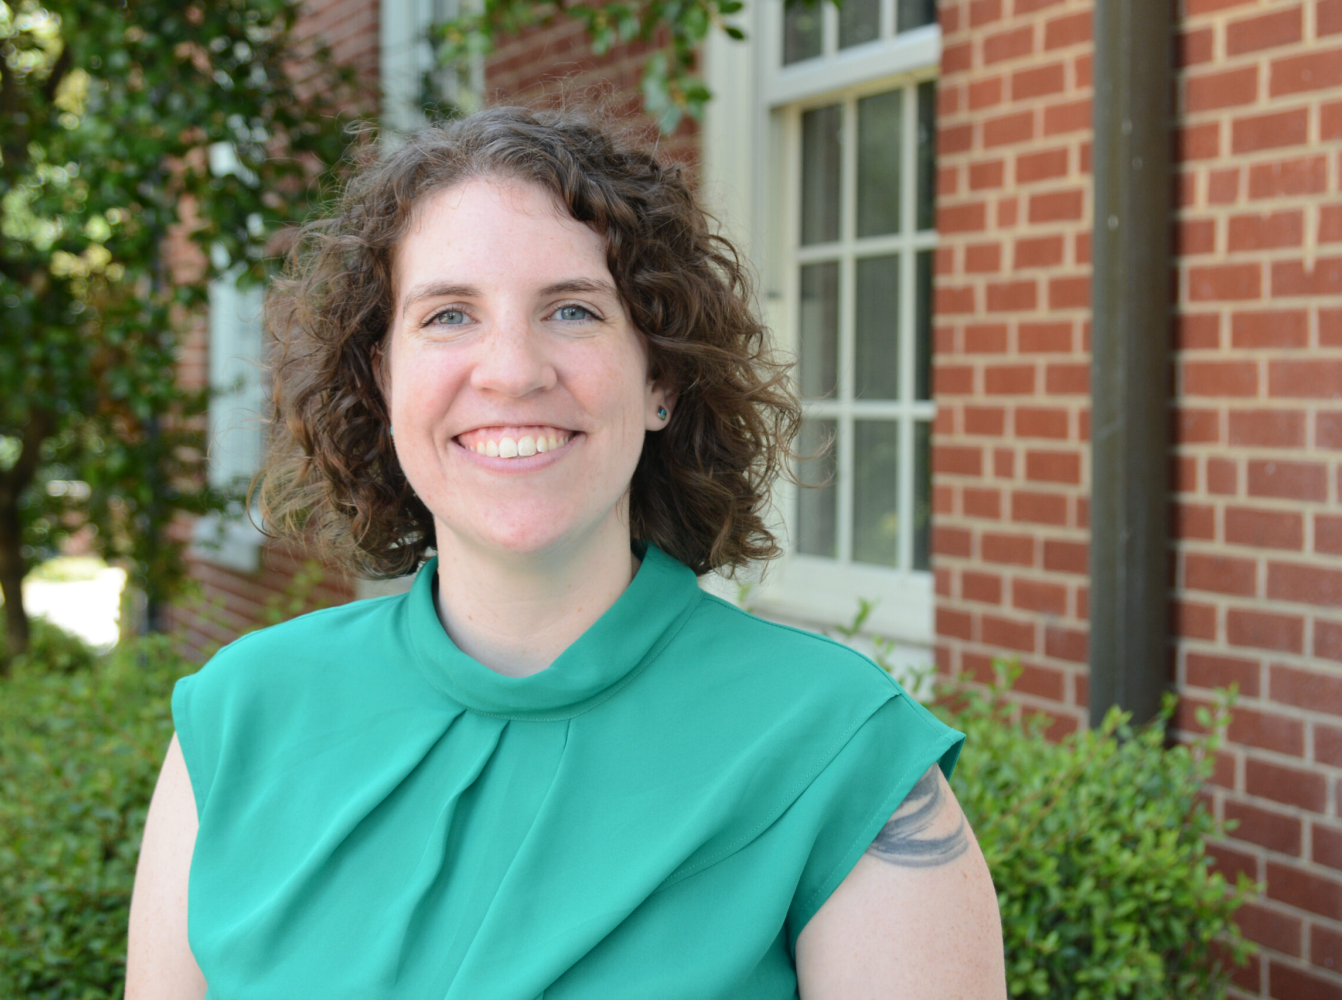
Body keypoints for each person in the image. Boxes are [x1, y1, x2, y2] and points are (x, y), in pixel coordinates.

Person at [126, 106, 1004, 999]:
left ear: (659, 376)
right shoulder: (239, 719)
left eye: (574, 309)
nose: (512, 370)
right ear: (384, 380)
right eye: (449, 315)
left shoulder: (840, 754)